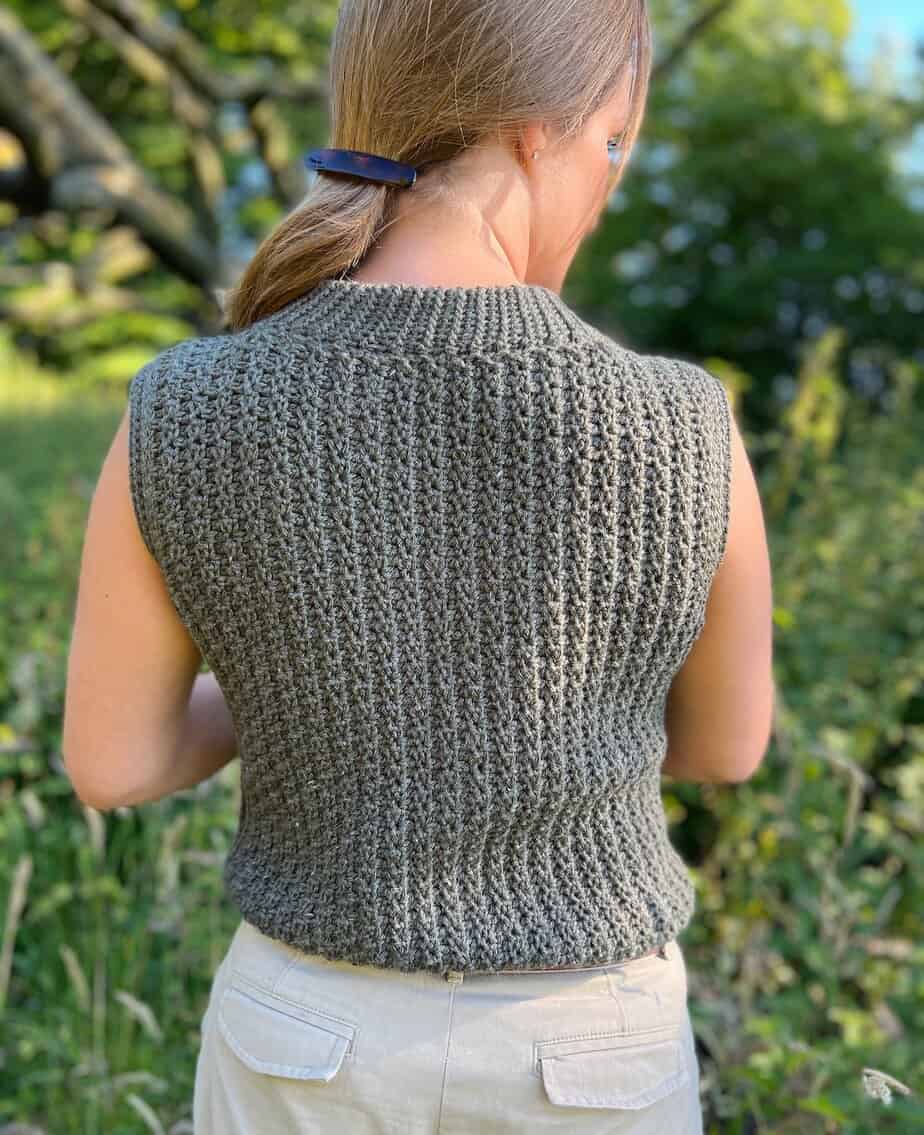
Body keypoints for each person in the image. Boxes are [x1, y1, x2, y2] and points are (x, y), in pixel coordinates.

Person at [62, 0, 775, 1130]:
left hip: (304, 1038)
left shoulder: (185, 406)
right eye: (613, 143)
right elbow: (726, 745)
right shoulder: (683, 424)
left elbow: (112, 759)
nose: (609, 185)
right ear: (538, 130)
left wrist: (317, 679)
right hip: (590, 1047)